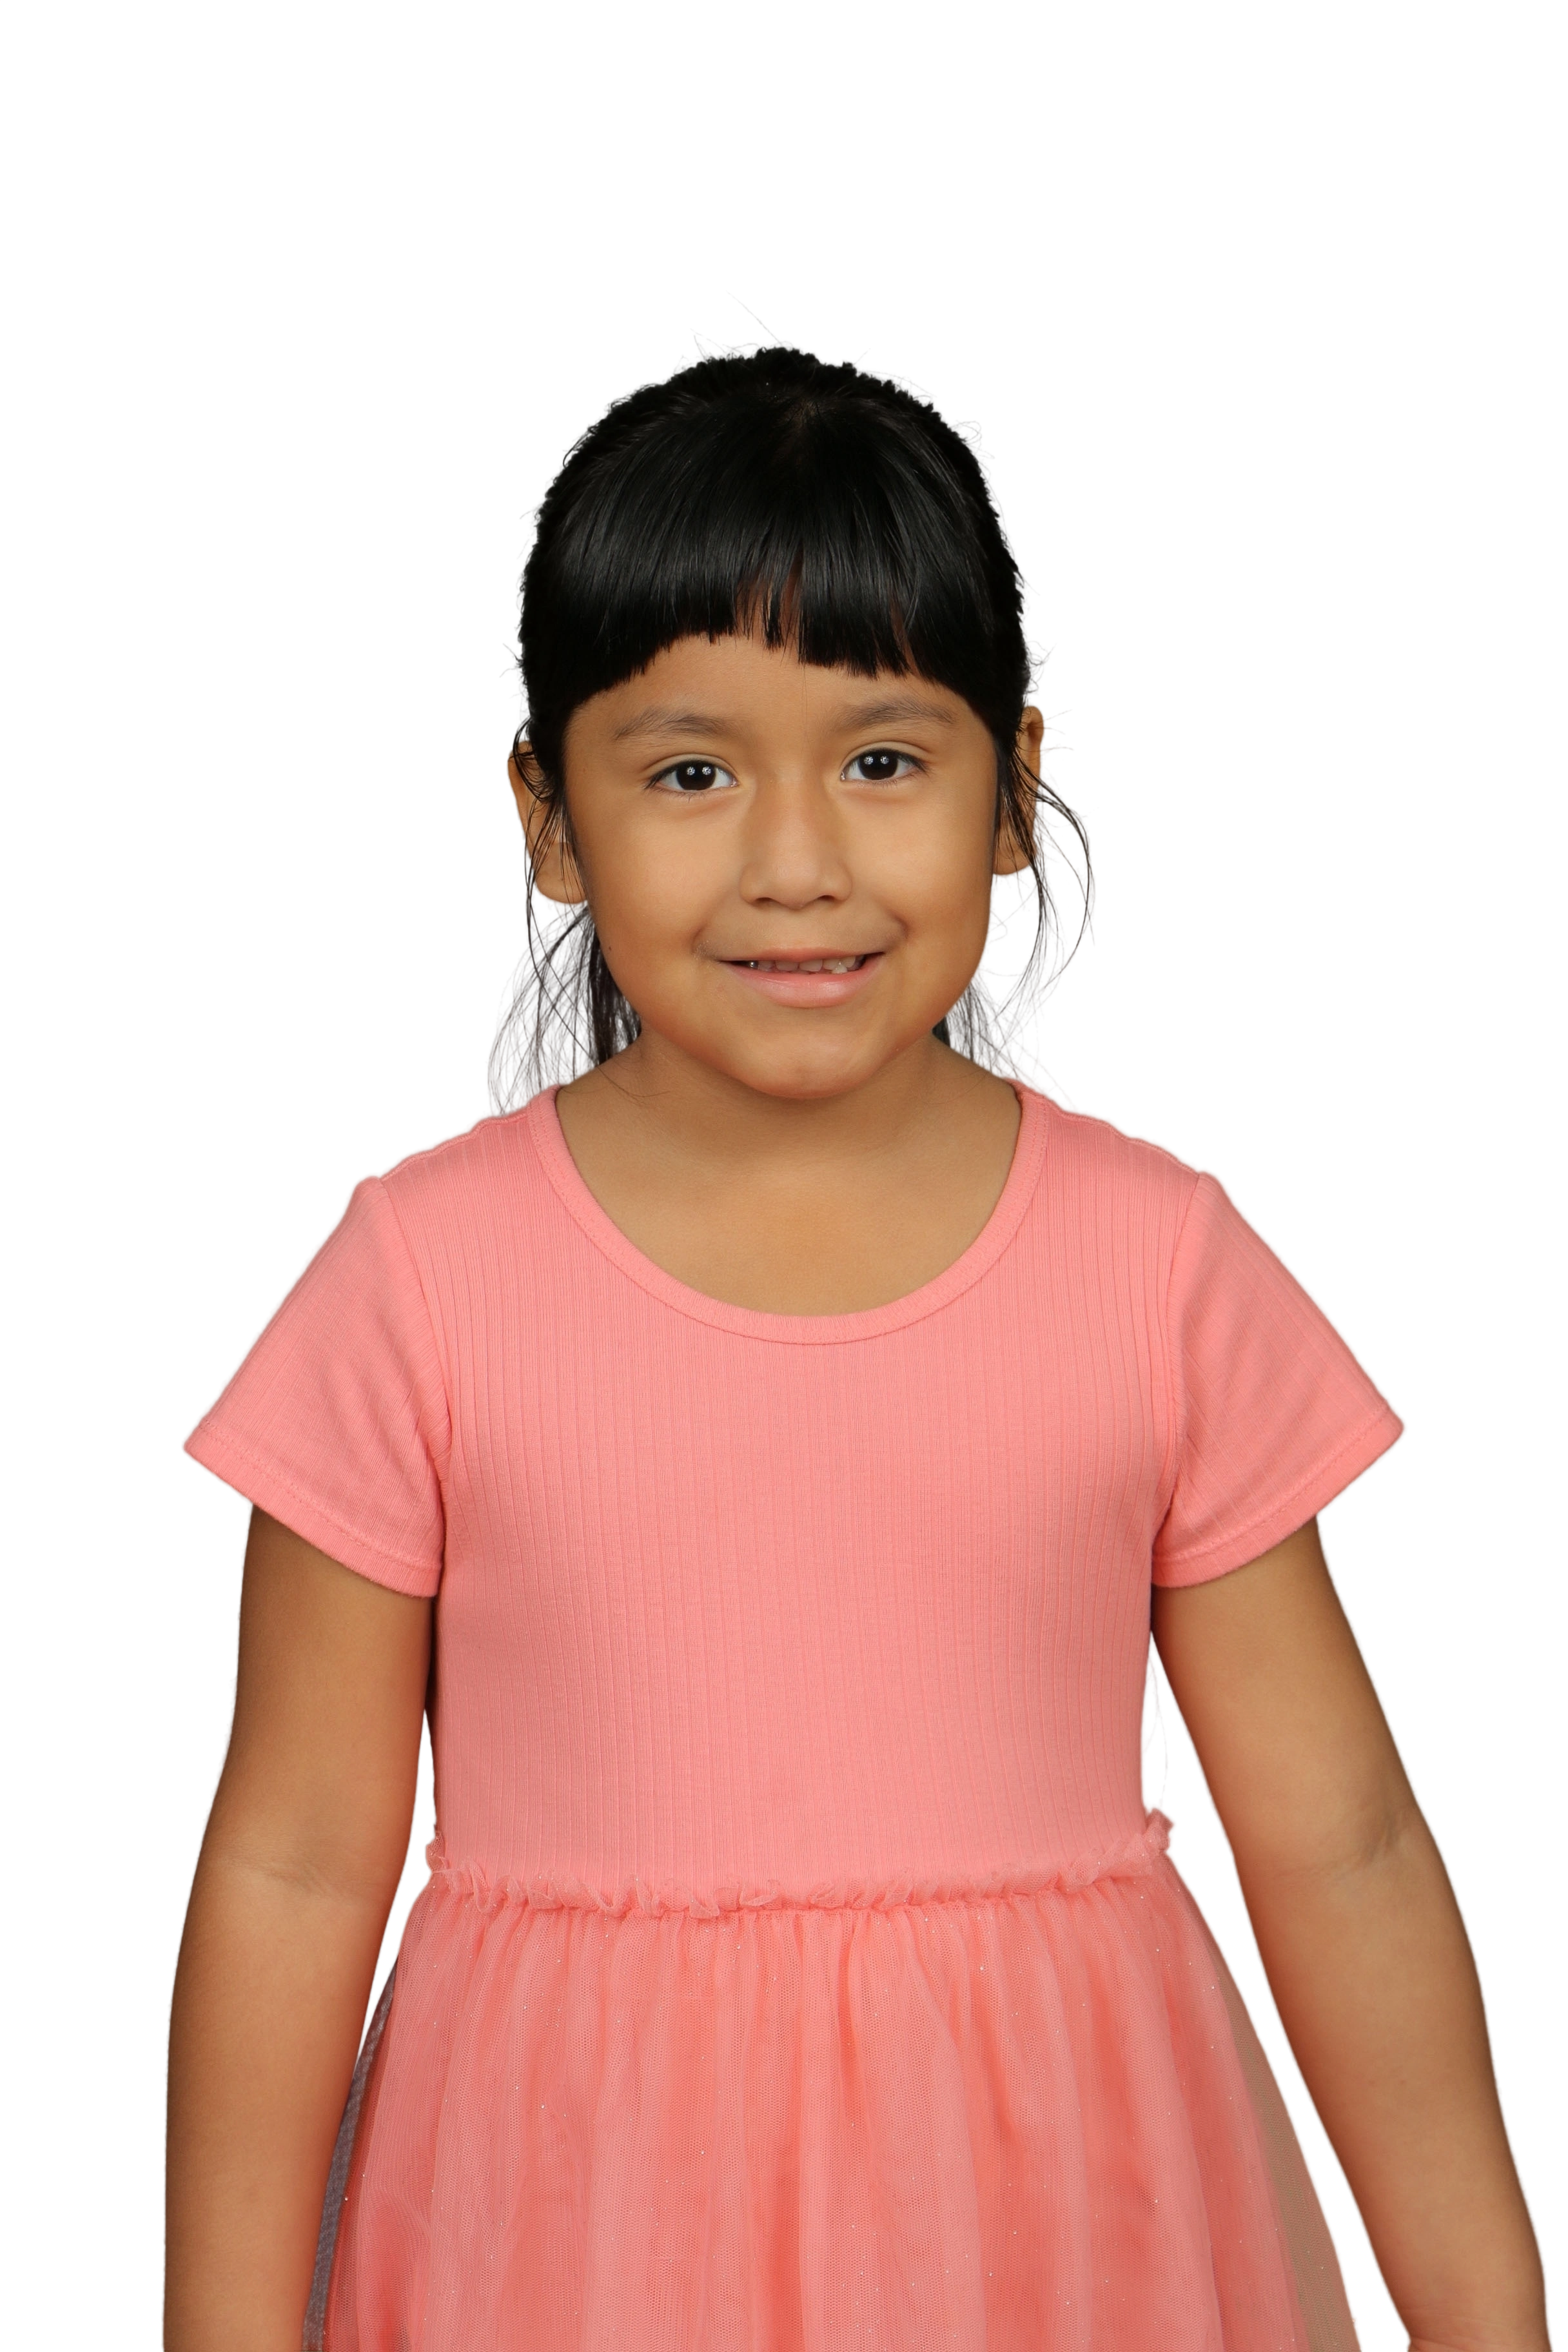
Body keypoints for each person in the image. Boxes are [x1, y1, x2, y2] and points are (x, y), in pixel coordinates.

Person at [161, 335, 1550, 2352]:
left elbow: (1337, 1840)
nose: (797, 860)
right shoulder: (422, 1282)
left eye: (884, 760)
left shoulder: (1154, 1268)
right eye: (692, 772)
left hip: (1068, 2244)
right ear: (553, 820)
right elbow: (295, 1866)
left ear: (1018, 790)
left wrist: (1491, 2324)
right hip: (571, 2249)